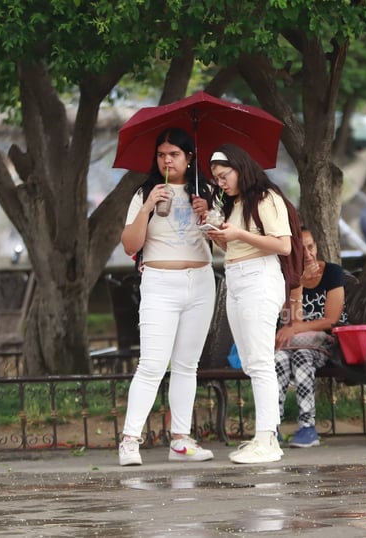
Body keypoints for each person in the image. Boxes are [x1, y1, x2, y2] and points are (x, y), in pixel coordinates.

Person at [118, 127, 217, 466]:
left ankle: (180, 439)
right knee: (152, 364)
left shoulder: (206, 192)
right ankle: (130, 440)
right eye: (162, 154)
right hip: (160, 281)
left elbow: (227, 245)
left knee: (187, 366)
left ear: (189, 158)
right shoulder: (145, 192)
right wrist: (147, 207)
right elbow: (130, 245)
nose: (167, 160)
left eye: (174, 154)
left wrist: (209, 215)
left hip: (201, 280)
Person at [203, 144, 292, 464]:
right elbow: (231, 246)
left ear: (241, 168)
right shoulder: (231, 203)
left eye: (224, 175)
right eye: (216, 178)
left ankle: (268, 438)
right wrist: (214, 229)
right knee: (250, 362)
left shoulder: (266, 198)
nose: (220, 183)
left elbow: (282, 245)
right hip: (236, 277)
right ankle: (263, 436)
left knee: (260, 360)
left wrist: (240, 232)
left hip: (261, 278)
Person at [274, 228, 347, 448]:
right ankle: (272, 427)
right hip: (294, 345)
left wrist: (295, 330)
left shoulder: (332, 272)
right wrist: (299, 284)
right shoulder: (288, 277)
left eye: (311, 246)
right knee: (279, 360)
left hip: (327, 341)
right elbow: (290, 319)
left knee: (301, 356)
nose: (307, 253)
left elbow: (331, 320)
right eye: (301, 248)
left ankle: (307, 427)